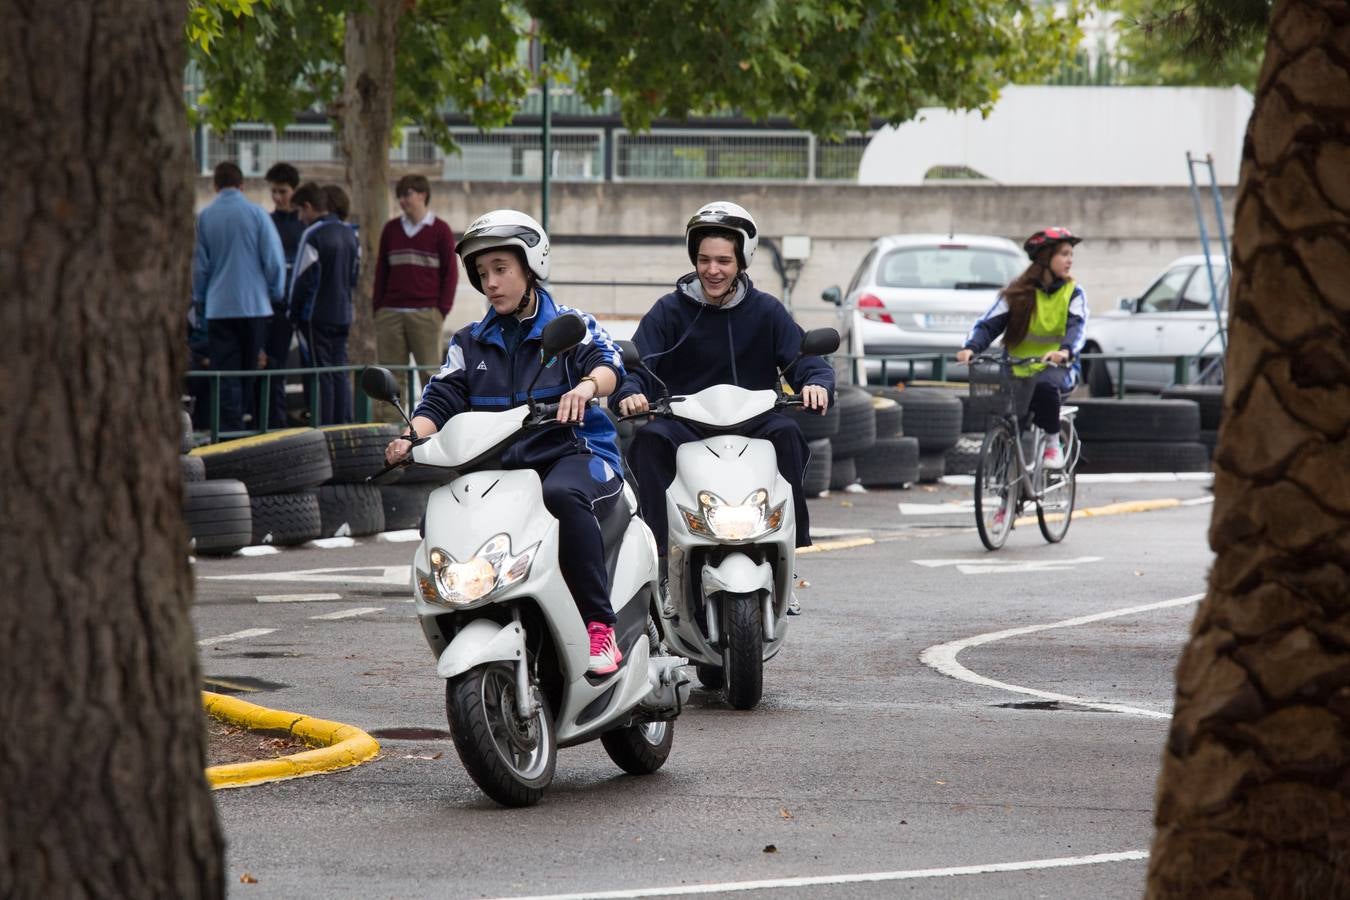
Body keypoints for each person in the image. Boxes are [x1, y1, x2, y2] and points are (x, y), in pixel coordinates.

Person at [383, 210, 629, 676]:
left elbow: (608, 365)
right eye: (482, 274)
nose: (491, 282)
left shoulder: (571, 325)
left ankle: (600, 625)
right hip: (499, 469)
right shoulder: (469, 342)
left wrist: (585, 388)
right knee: (440, 515)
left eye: (501, 269)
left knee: (563, 496)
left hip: (572, 455)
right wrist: (410, 435)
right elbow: (442, 396)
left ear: (531, 266)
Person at [612, 201, 834, 613]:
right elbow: (639, 363)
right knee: (648, 442)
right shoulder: (669, 310)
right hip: (685, 425)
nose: (712, 270)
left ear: (743, 261)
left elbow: (803, 360)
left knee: (788, 434)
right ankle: (662, 563)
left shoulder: (767, 310)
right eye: (704, 260)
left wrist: (817, 384)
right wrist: (628, 391)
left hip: (754, 424)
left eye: (723, 261)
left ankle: (788, 554)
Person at [956, 226, 1089, 471]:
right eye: (1064, 254)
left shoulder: (1073, 293)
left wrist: (1065, 352)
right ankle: (1003, 488)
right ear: (1045, 258)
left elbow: (1077, 328)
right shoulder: (1018, 292)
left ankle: (1052, 442)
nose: (1070, 260)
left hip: (1058, 369)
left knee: (1045, 387)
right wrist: (971, 348)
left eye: (1071, 254)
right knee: (1005, 423)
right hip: (1016, 370)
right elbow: (988, 323)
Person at [191, 161, 286, 432]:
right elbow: (273, 260)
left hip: (219, 308)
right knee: (250, 369)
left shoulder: (205, 217)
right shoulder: (257, 214)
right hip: (255, 306)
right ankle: (248, 426)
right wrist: (275, 292)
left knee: (226, 372)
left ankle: (229, 428)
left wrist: (200, 299)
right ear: (242, 185)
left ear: (215, 186)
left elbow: (200, 267)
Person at [372, 174, 457, 421]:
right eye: (399, 195)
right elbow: (381, 272)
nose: (402, 200)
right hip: (390, 313)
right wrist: (378, 308)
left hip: (426, 313)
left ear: (422, 194)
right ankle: (390, 432)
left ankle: (433, 426)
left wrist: (441, 310)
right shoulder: (391, 229)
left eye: (406, 194)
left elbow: (450, 274)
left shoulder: (440, 230)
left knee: (429, 375)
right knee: (390, 377)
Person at [289, 182, 360, 425]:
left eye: (300, 211)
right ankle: (345, 423)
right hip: (343, 312)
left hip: (316, 314)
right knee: (339, 370)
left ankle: (326, 427)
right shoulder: (351, 233)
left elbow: (301, 279)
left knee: (321, 373)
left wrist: (293, 312)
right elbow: (353, 276)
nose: (300, 218)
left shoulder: (313, 234)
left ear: (309, 207)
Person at [262, 162, 305, 427]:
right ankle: (274, 421)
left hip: (301, 303)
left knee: (312, 365)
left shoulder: (303, 224)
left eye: (283, 192)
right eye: (274, 192)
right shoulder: (268, 222)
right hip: (276, 304)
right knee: (274, 365)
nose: (278, 198)